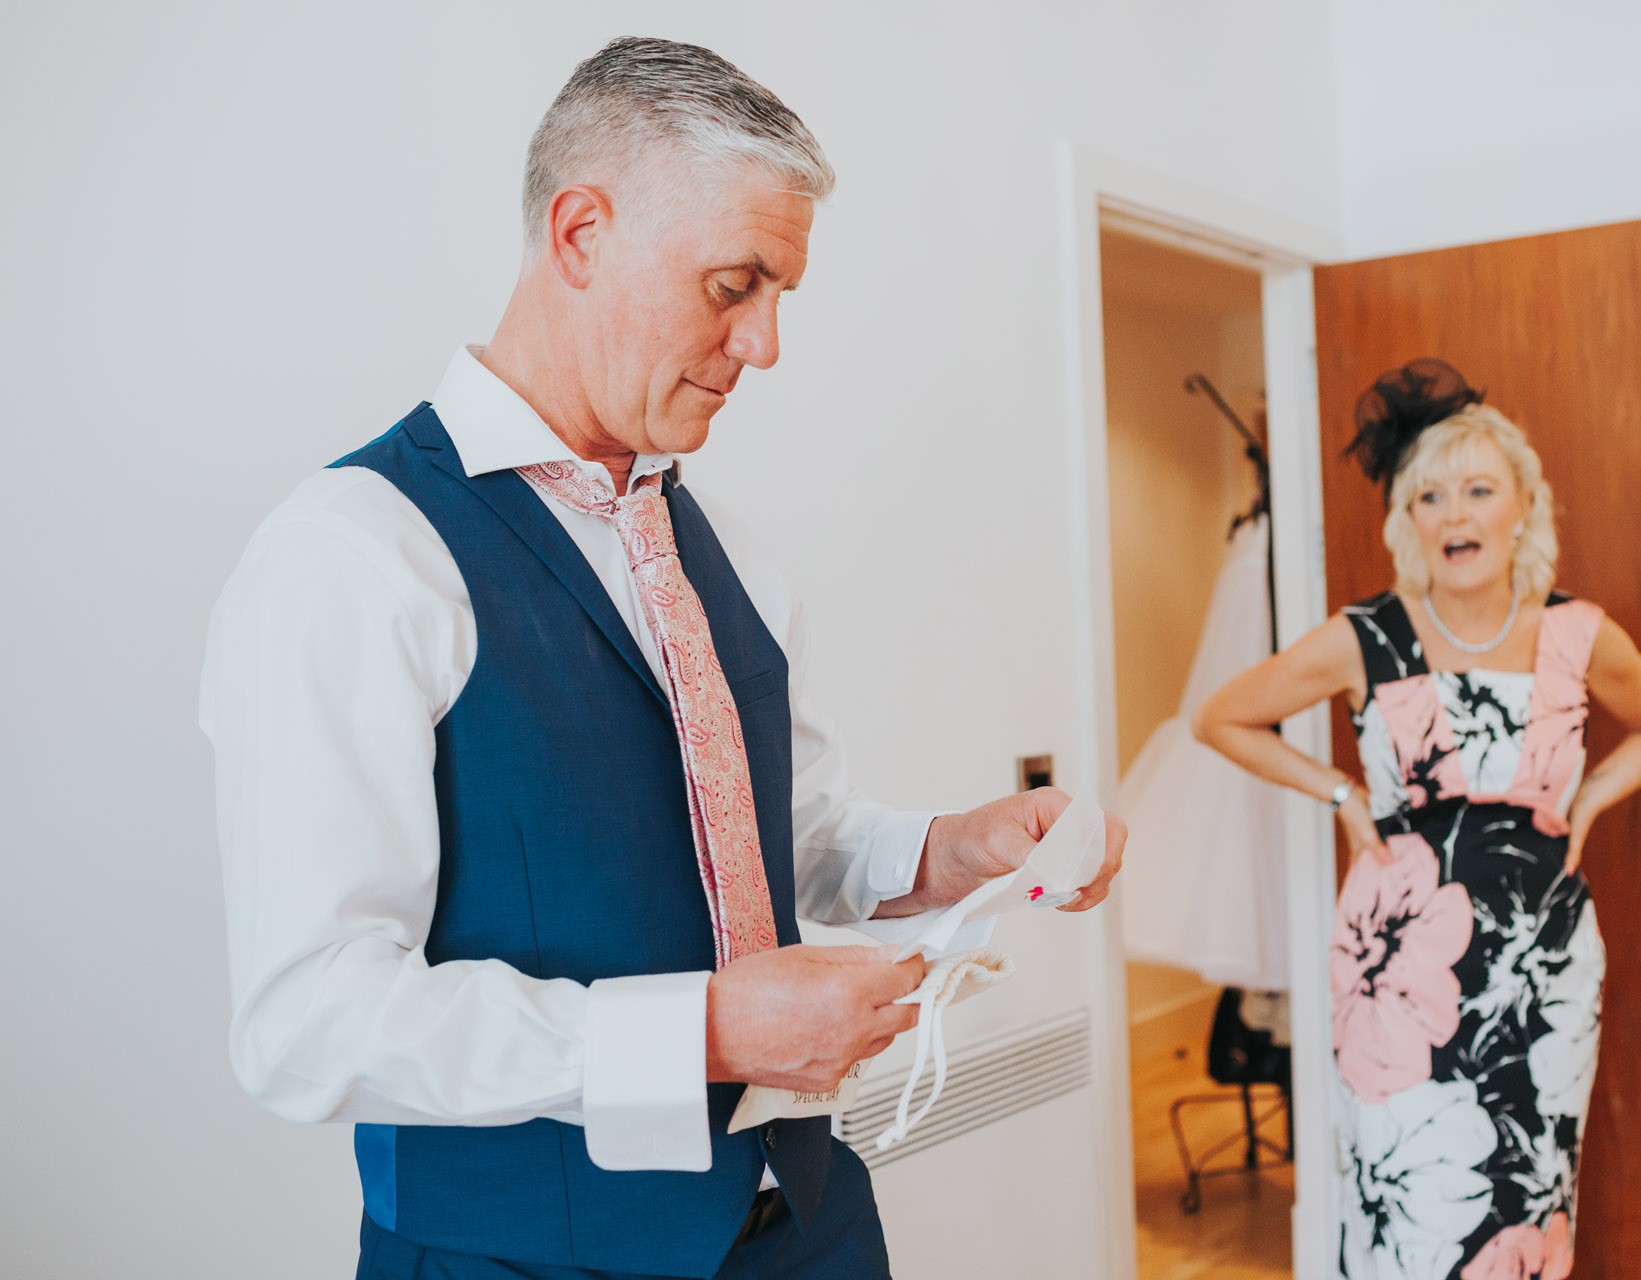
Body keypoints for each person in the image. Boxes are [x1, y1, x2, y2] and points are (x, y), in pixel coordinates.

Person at [200, 37, 1122, 1280]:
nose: (767, 344)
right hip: (516, 1257)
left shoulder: (719, 542)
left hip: (812, 1226)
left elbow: (774, 839)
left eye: (782, 294)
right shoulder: (355, 553)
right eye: (734, 283)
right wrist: (706, 1027)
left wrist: (953, 848)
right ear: (579, 233)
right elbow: (308, 1022)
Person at [1192, 360, 1641, 1280]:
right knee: (1412, 1202)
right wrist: (1341, 794)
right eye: (1431, 496)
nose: (1456, 515)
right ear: (1407, 521)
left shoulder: (1576, 633)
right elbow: (1220, 716)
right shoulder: (1366, 636)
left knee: (1532, 1193)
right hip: (1395, 973)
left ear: (1522, 508)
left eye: (1478, 490)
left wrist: (1589, 796)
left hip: (1545, 962)